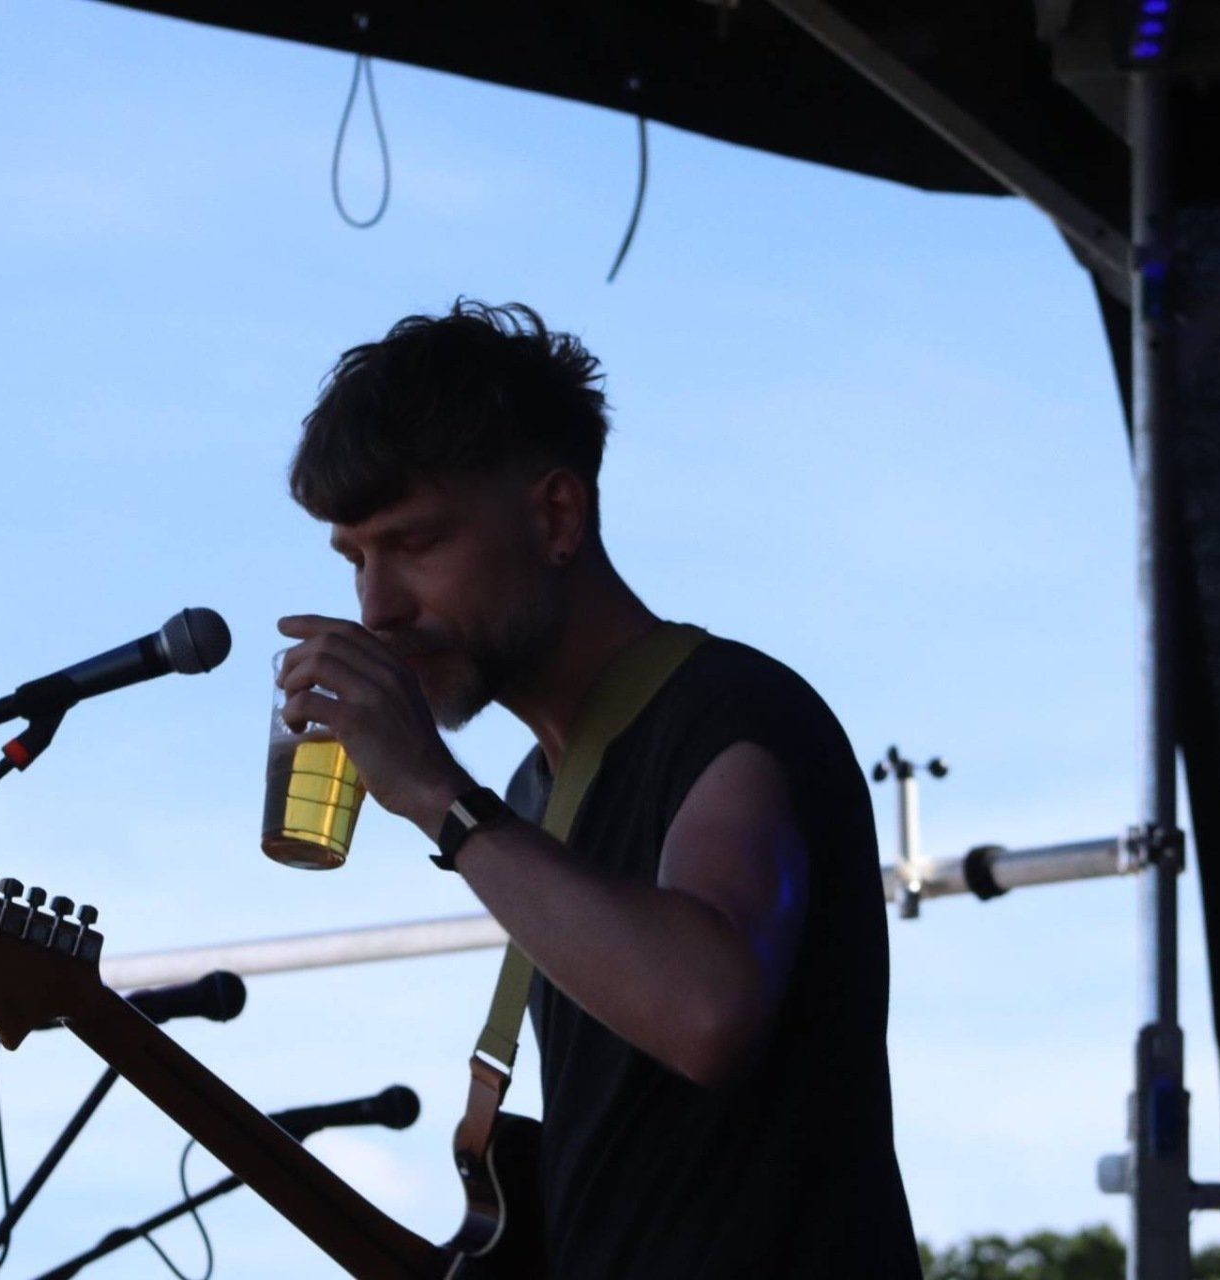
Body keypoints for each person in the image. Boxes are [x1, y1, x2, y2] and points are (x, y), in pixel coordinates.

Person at [274, 300, 919, 1278]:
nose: (377, 606)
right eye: (356, 557)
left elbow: (705, 1007)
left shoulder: (730, 712)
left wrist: (442, 799)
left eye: (414, 544)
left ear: (556, 514)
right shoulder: (538, 792)